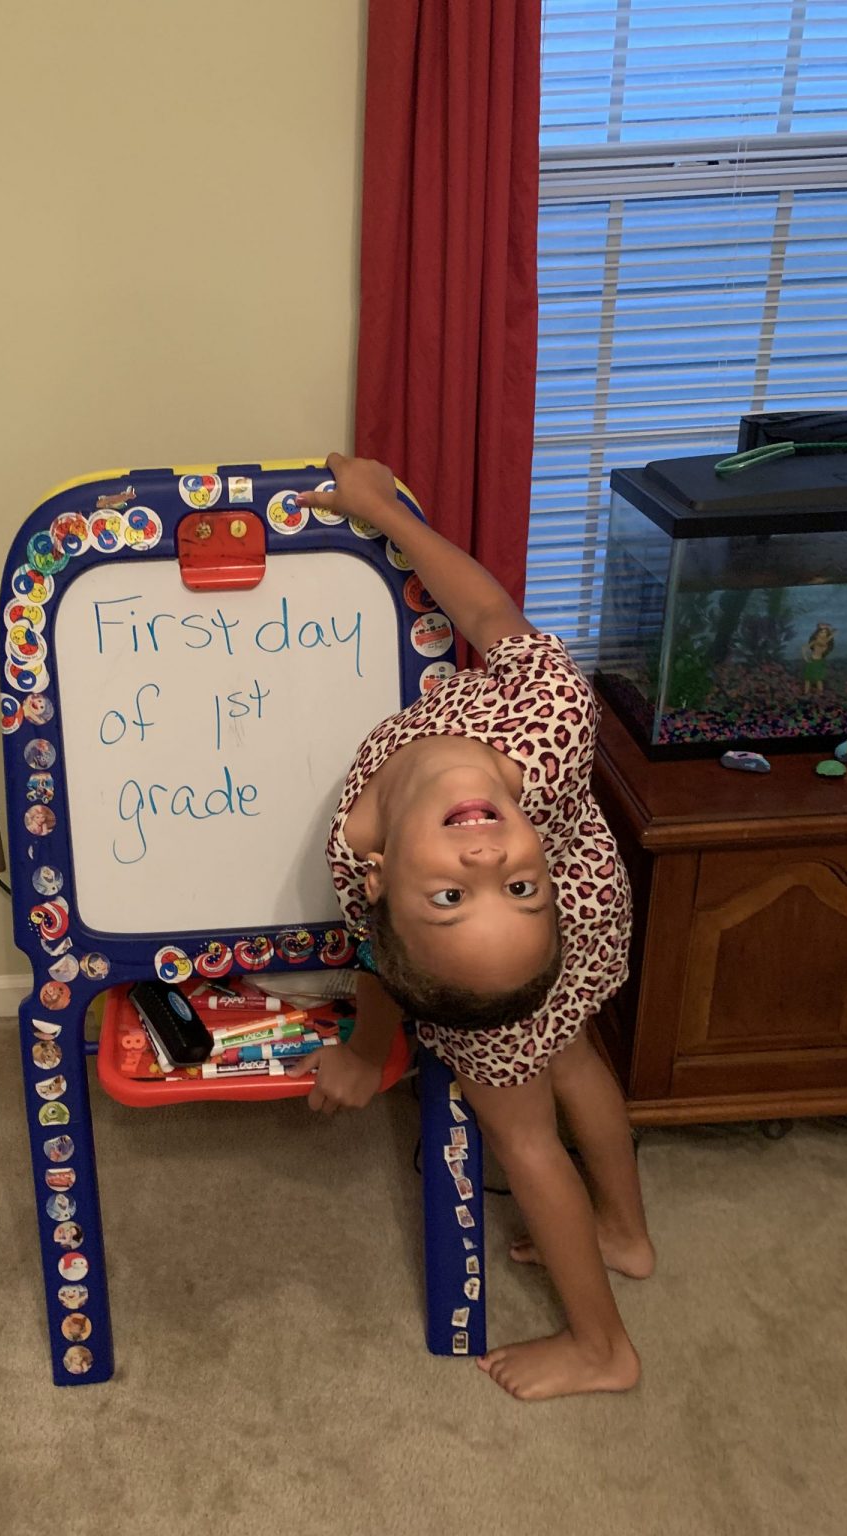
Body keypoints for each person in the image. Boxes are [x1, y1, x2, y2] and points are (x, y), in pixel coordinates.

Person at [288, 452, 653, 1403]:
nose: (487, 862)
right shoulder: (546, 727)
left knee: (525, 1138)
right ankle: (625, 1234)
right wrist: (384, 511)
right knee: (572, 1057)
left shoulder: (362, 844)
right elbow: (488, 613)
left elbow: (384, 962)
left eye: (454, 894)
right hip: (572, 928)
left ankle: (601, 1348)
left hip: (559, 941)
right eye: (514, 883)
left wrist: (365, 1054)